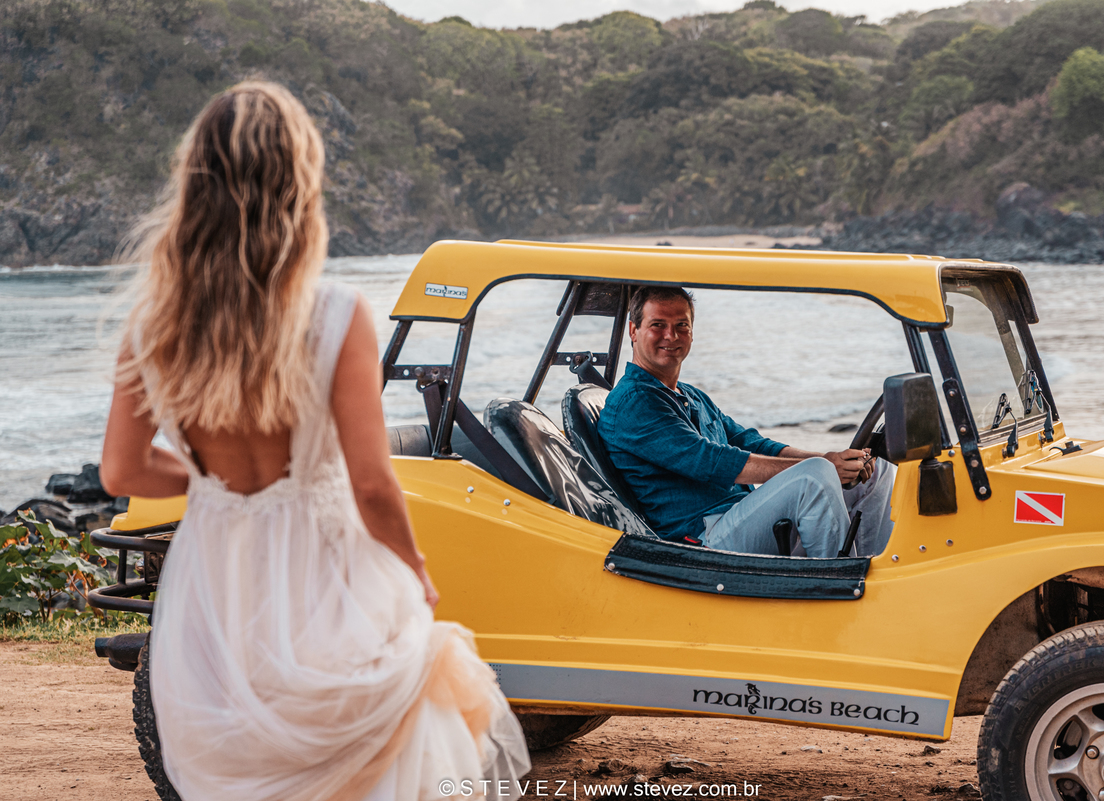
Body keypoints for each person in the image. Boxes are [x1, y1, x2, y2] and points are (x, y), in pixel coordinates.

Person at [99, 82, 528, 801]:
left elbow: (121, 469)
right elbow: (372, 483)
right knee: (370, 758)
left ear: (193, 187)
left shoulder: (153, 326)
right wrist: (415, 568)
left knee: (247, 767)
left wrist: (211, 484)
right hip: (325, 569)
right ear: (299, 187)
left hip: (216, 576)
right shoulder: (334, 314)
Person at [597, 286, 895, 558]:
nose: (671, 336)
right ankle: (840, 583)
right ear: (634, 330)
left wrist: (833, 459)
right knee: (815, 476)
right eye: (658, 325)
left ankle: (874, 571)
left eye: (681, 326)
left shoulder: (689, 395)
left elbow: (751, 443)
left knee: (875, 470)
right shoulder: (635, 401)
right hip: (702, 540)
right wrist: (824, 466)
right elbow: (711, 461)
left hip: (739, 516)